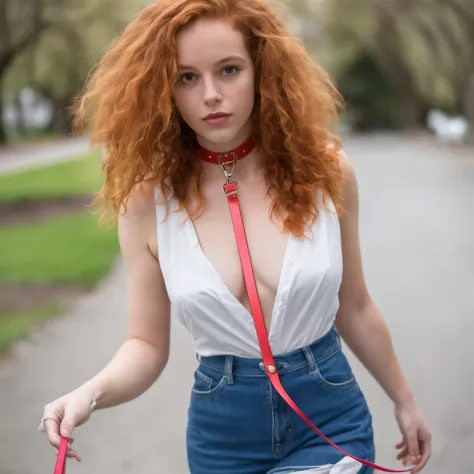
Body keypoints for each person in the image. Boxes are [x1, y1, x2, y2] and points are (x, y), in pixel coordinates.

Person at [39, 0, 431, 473]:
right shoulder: (147, 204)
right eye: (187, 77)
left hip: (328, 416)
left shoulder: (326, 173)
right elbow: (145, 344)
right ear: (163, 88)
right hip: (221, 436)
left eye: (229, 70)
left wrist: (404, 401)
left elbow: (355, 306)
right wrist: (88, 394)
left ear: (262, 71)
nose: (210, 94)